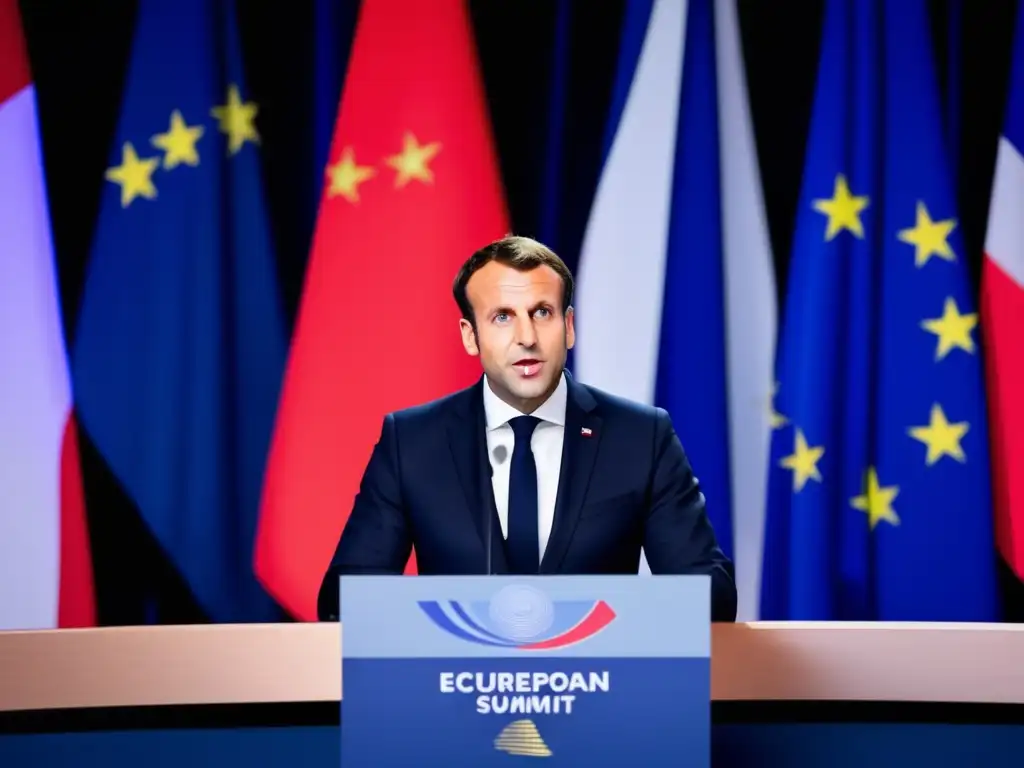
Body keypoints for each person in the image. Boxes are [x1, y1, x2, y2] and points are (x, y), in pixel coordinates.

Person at [317, 235, 737, 622]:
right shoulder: (411, 442)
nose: (527, 337)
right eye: (502, 317)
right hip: (452, 692)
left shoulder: (641, 437)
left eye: (542, 313)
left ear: (568, 327)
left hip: (600, 688)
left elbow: (711, 596)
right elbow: (345, 599)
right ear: (470, 335)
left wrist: (603, 618)